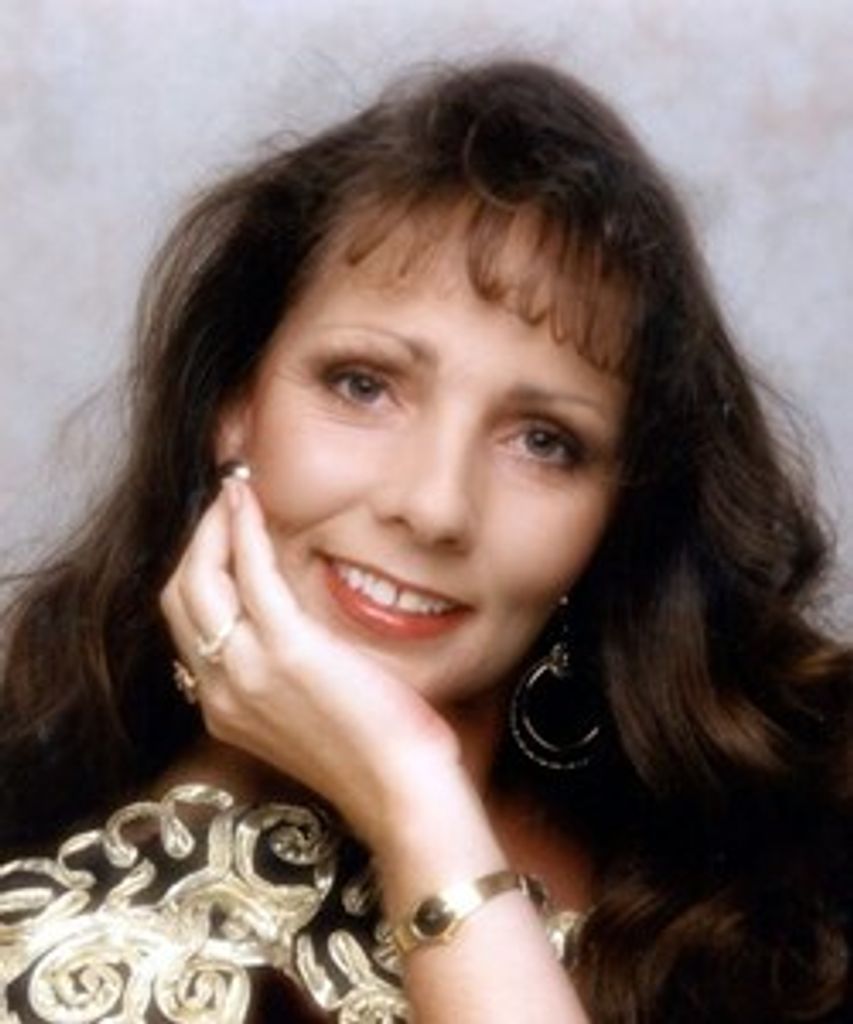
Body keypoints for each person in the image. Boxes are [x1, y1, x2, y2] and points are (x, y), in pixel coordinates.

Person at [0, 59, 849, 1024]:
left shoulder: (789, 872)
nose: (435, 506)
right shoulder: (58, 956)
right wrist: (414, 797)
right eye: (363, 385)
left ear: (619, 505)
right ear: (234, 404)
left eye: (544, 441)